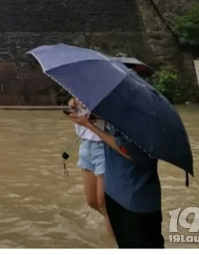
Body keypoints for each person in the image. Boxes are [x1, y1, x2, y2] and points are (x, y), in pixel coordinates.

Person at [69, 110, 163, 248]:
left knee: (104, 202)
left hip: (108, 146)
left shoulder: (131, 118)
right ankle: (115, 228)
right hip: (90, 144)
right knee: (93, 201)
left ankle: (112, 235)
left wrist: (91, 124)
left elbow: (130, 151)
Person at [68, 98, 112, 237]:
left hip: (104, 145)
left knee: (103, 202)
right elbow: (74, 109)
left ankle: (114, 240)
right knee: (92, 201)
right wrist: (73, 106)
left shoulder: (109, 91)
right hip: (86, 144)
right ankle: (116, 221)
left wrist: (94, 116)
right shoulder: (82, 91)